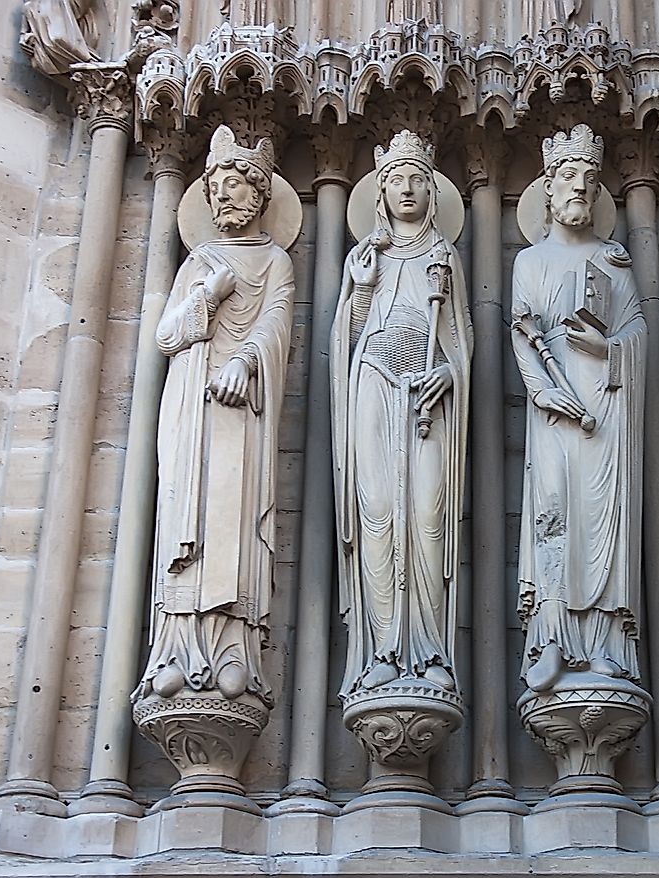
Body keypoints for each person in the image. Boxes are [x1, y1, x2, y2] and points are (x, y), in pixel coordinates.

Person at [136, 126, 295, 706]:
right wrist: (210, 291)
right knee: (190, 517)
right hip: (192, 405)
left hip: (243, 405)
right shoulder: (200, 260)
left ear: (259, 195)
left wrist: (248, 362)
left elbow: (278, 325)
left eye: (234, 187)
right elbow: (167, 334)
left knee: (234, 516)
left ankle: (234, 650)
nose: (223, 198)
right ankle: (177, 649)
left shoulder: (277, 262)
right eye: (215, 189)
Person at [331, 130, 472, 696]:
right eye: (396, 180)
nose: (408, 189)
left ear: (433, 191)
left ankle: (431, 649)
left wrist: (450, 373)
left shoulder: (445, 257)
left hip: (426, 397)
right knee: (379, 511)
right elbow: (348, 337)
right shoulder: (366, 257)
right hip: (374, 385)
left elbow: (461, 341)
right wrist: (361, 290)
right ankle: (385, 645)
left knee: (429, 512)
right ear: (380, 191)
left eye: (418, 178)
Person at [512, 124, 646, 693]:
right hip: (555, 409)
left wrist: (608, 348)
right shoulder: (529, 261)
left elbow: (639, 331)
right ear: (547, 188)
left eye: (589, 181)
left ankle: (607, 643)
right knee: (555, 513)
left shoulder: (615, 263)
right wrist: (542, 387)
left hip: (607, 407)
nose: (578, 189)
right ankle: (553, 639)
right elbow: (521, 332)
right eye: (568, 177)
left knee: (602, 518)